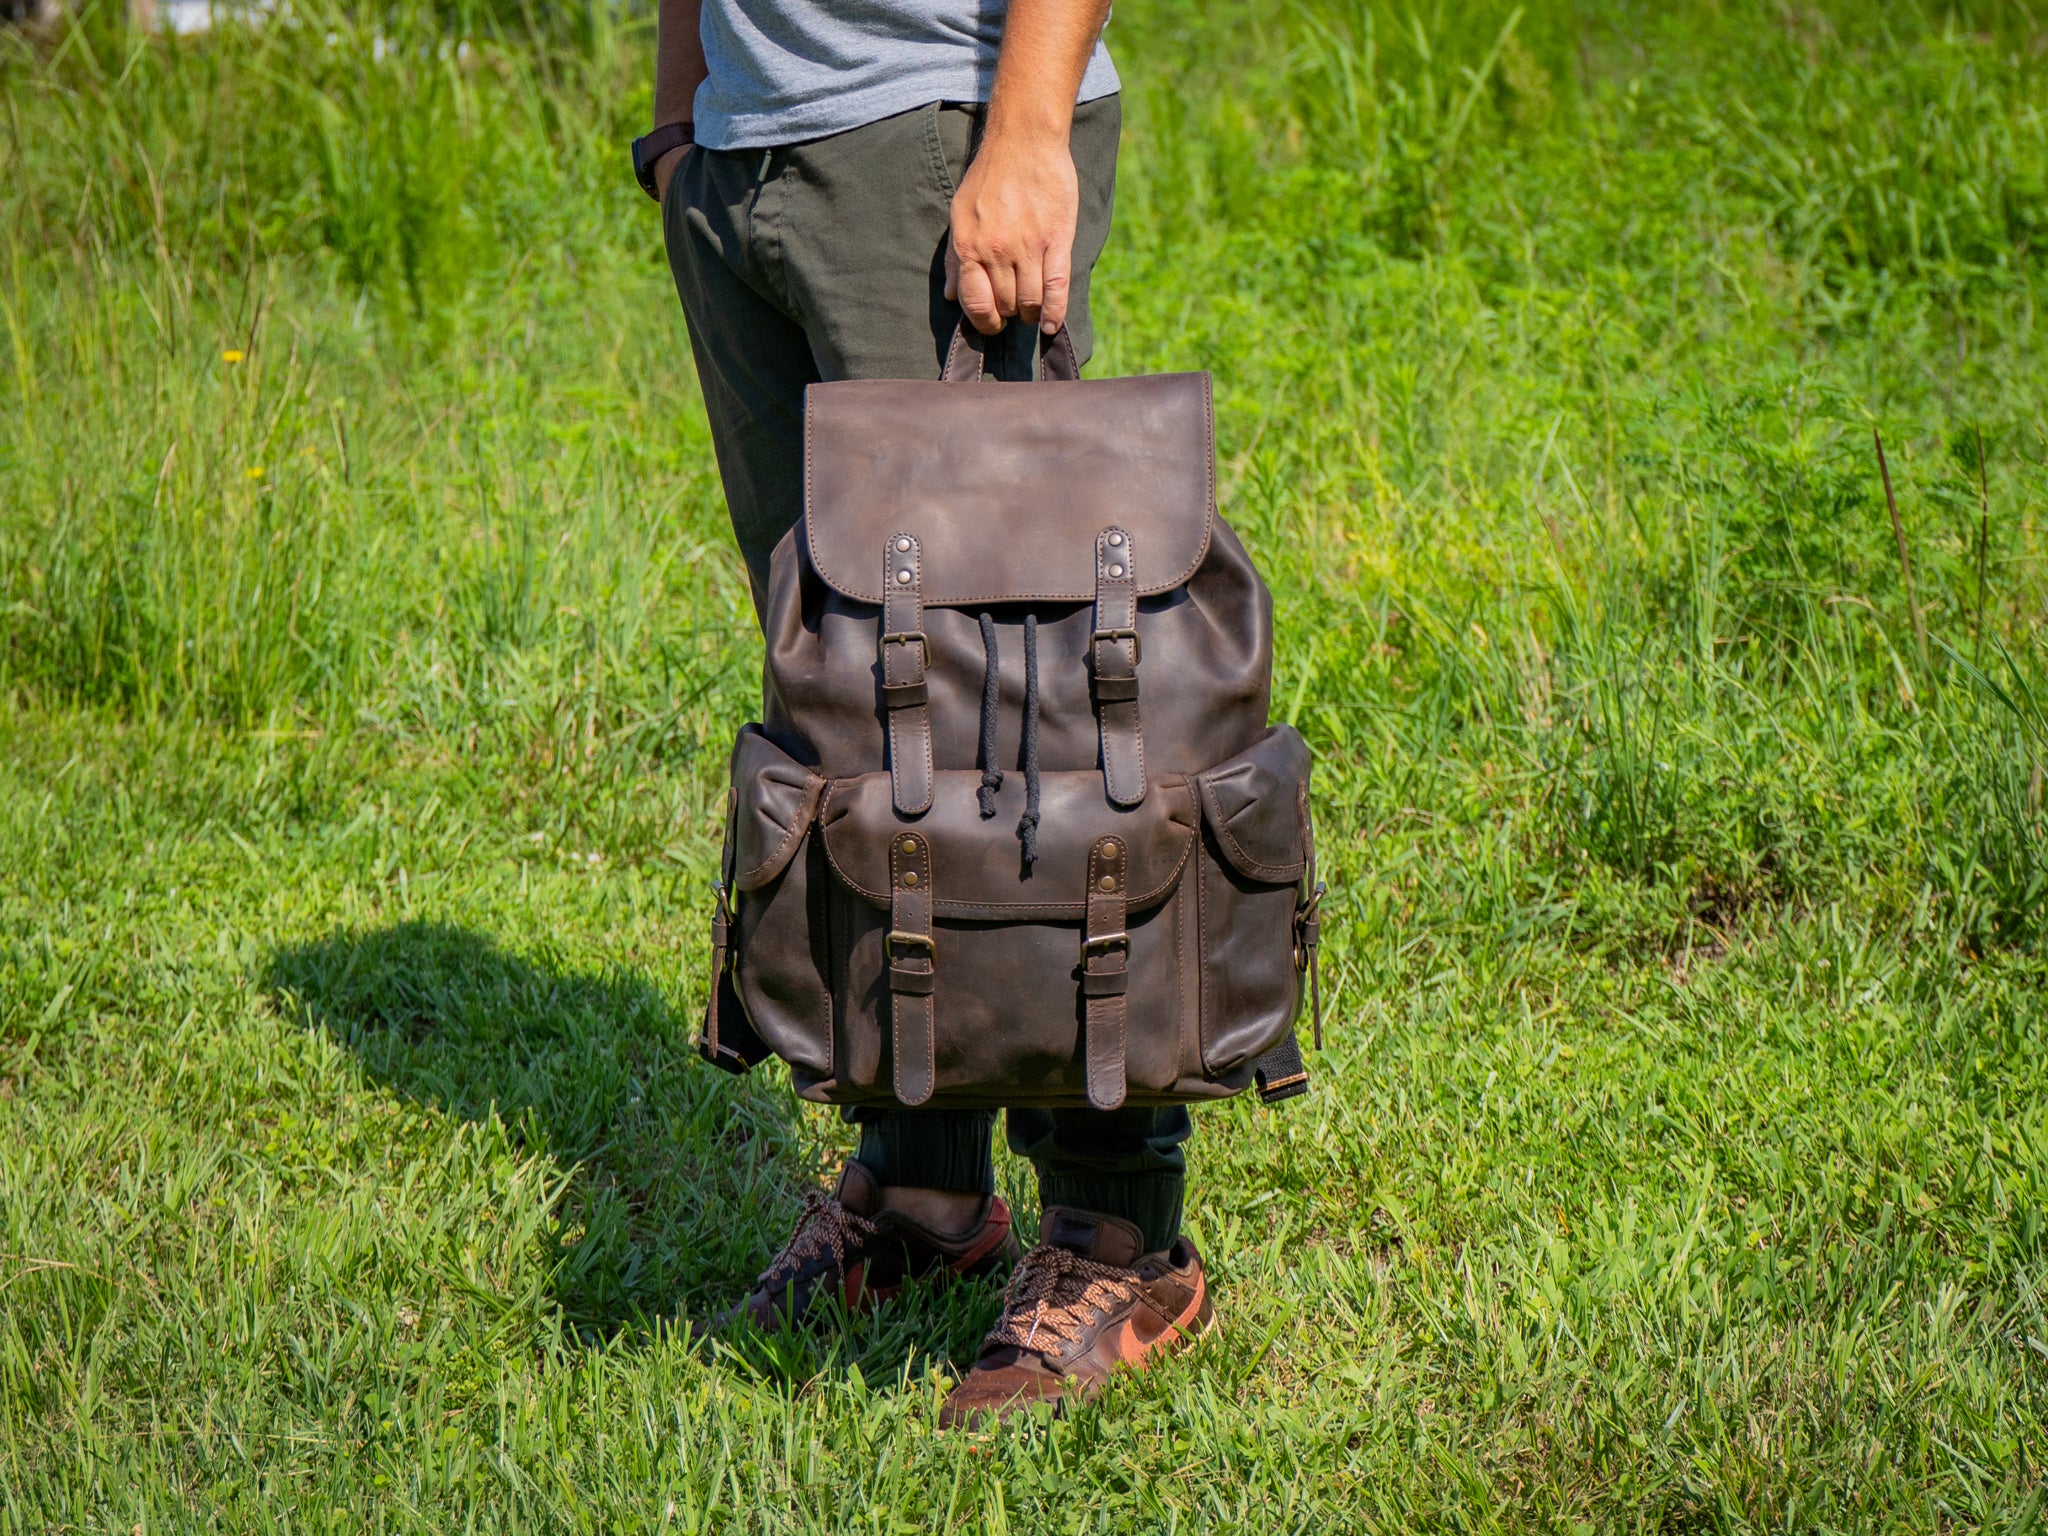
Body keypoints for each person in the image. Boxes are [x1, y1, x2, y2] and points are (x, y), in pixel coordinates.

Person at [638, 0, 1211, 1427]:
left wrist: (1025, 130)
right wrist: (681, 115)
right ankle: (923, 1189)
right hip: (743, 149)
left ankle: (1117, 1228)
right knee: (856, 706)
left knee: (1023, 714)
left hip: (933, 128)